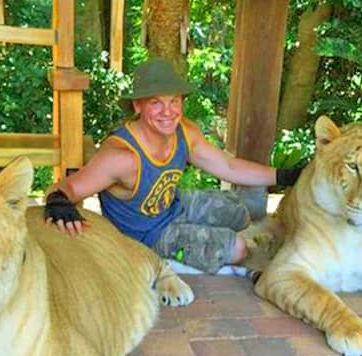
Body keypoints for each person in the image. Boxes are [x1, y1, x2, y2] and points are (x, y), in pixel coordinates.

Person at [44, 57, 301, 273]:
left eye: (174, 101)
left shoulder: (184, 131)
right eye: (156, 102)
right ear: (138, 105)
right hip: (148, 236)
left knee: (240, 213)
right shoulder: (121, 156)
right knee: (238, 248)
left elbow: (229, 167)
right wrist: (58, 203)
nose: (168, 112)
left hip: (174, 204)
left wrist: (284, 175)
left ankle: (210, 229)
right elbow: (65, 189)